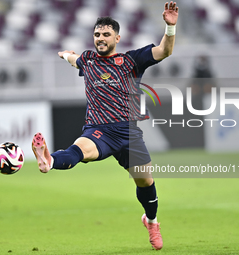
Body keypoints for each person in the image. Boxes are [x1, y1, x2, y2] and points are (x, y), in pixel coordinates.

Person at [32, 2, 179, 250]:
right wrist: (66, 55)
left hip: (129, 133)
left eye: (106, 34)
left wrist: (170, 27)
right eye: (97, 34)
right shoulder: (89, 60)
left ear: (117, 38)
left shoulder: (131, 60)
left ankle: (151, 221)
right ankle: (49, 161)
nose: (100, 38)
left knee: (145, 182)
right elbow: (76, 59)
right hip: (99, 131)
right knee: (79, 152)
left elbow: (164, 51)